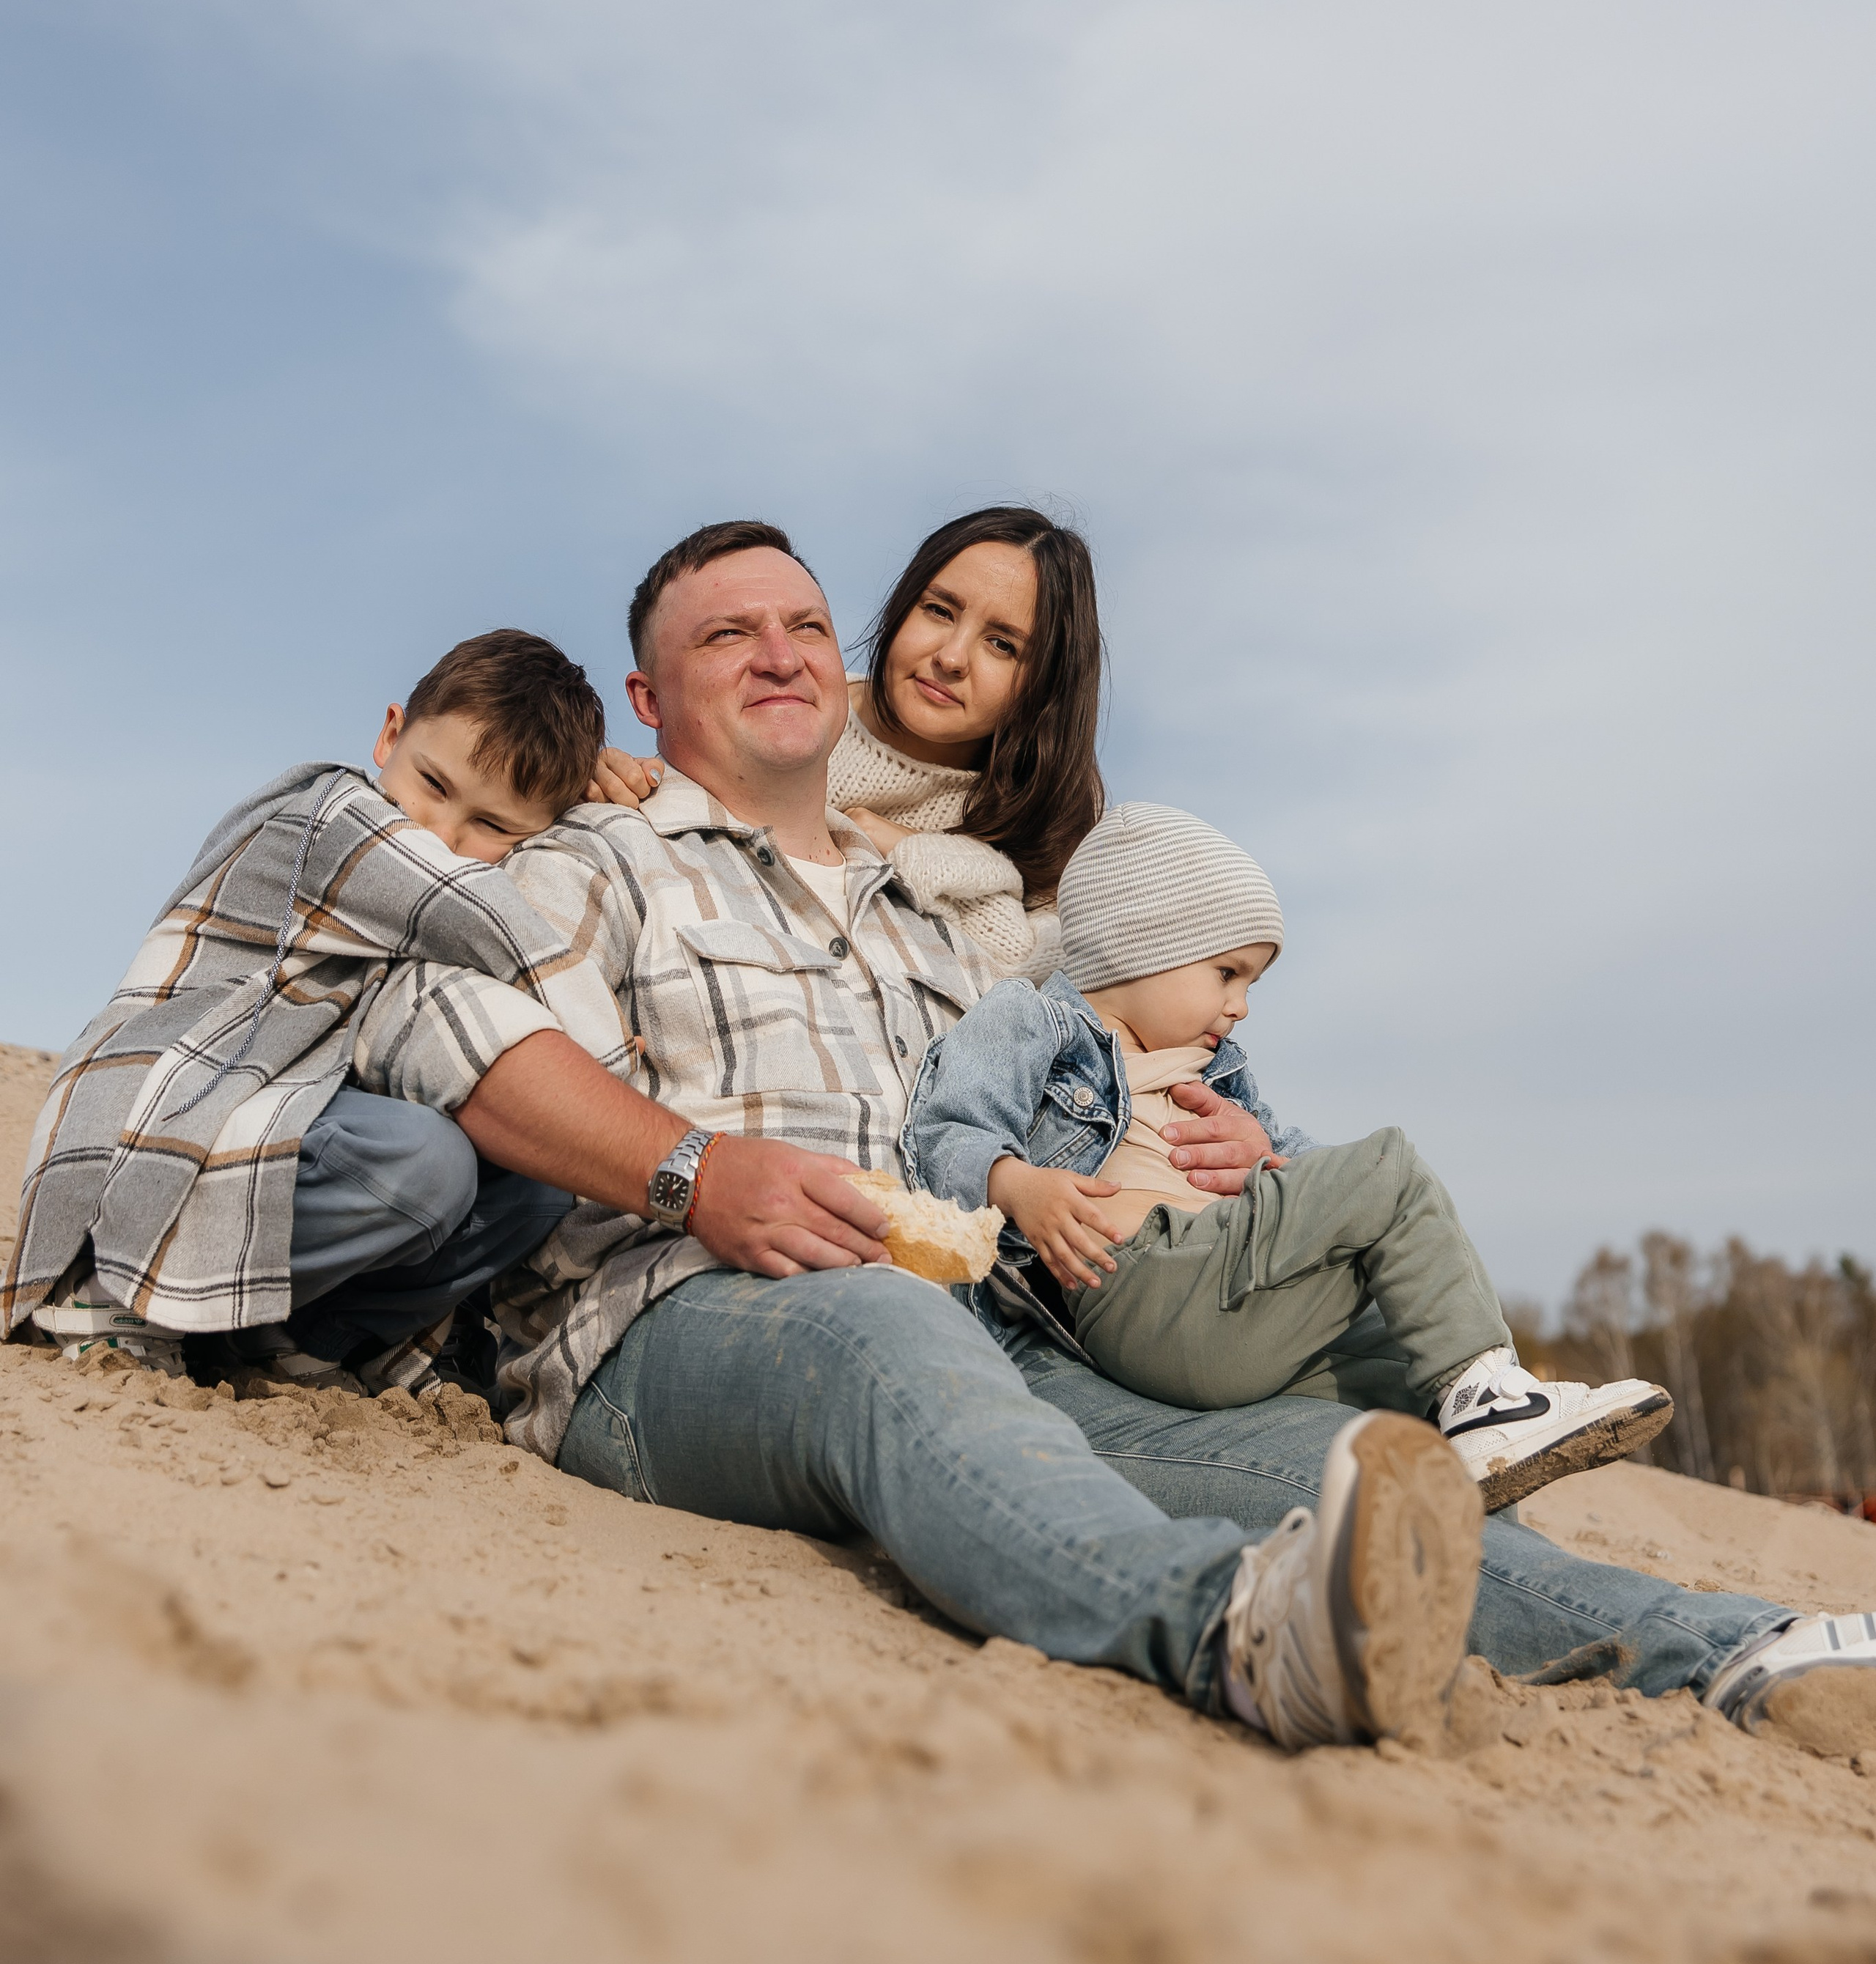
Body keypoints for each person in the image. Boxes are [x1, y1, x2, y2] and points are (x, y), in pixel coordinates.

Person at [362, 517, 1876, 1759]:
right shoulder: (591, 852)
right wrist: (691, 1174)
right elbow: (448, 1039)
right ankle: (1229, 1630)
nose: (777, 652)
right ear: (647, 700)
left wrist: (1216, 1150)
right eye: (724, 635)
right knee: (889, 1344)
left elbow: (1098, 1080)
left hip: (998, 1325)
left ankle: (1745, 1650)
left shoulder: (952, 931)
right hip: (674, 1329)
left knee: (1323, 1451)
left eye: (802, 627)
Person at [906, 800, 1671, 1512]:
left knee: (1392, 1336)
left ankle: (1460, 1439)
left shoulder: (1220, 1074)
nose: (1240, 1005)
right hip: (1137, 1284)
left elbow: (1321, 1195)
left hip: (1222, 1314)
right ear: (1138, 944)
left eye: (1252, 982)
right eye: (1227, 973)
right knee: (1387, 1167)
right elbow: (946, 1128)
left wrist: (1262, 1155)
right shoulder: (1035, 1022)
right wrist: (1017, 1187)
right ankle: (1490, 1402)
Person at [4, 632, 624, 1389]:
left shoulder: (426, 855)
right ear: (390, 734)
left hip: (278, 1112)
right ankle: (103, 1291)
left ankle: (285, 1340)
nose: (441, 832)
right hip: (154, 1123)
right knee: (421, 1161)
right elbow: (503, 930)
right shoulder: (332, 813)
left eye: (492, 826)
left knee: (538, 1182)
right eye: (431, 781)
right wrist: (626, 1099)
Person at [592, 503, 1104, 978]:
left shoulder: (1054, 814)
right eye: (940, 611)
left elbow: (1050, 972)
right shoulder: (792, 711)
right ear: (902, 608)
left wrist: (912, 849)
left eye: (1002, 645)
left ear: (1045, 682)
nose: (951, 658)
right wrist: (607, 776)